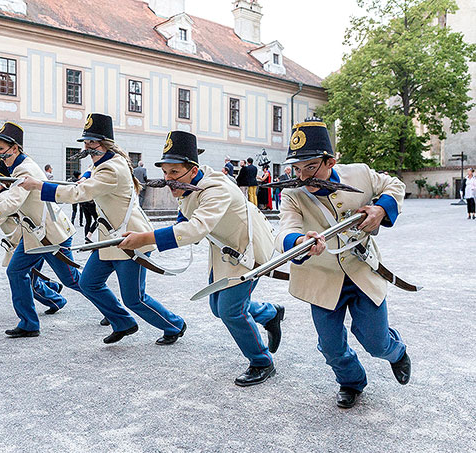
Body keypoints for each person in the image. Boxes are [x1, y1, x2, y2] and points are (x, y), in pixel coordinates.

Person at [119, 131, 284, 382]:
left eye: (174, 172)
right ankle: (269, 313)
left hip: (248, 249)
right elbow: (185, 226)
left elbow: (194, 230)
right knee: (218, 307)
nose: (168, 179)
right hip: (225, 251)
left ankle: (261, 362)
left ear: (192, 168)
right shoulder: (189, 188)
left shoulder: (215, 188)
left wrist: (144, 238)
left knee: (231, 311)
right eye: (165, 172)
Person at [276, 118, 411, 409]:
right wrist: (299, 242)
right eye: (295, 169)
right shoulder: (292, 194)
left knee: (377, 343)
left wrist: (380, 208)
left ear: (330, 161)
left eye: (309, 167)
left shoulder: (359, 174)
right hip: (320, 276)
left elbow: (394, 184)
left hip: (362, 270)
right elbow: (284, 230)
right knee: (331, 347)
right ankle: (351, 381)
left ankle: (396, 351)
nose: (301, 177)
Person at [21, 113, 186, 345]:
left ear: (105, 143)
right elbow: (92, 171)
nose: (88, 147)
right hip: (110, 239)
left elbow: (80, 193)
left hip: (131, 239)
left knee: (134, 298)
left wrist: (40, 186)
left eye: (92, 142)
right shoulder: (105, 162)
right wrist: (86, 175)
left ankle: (174, 324)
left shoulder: (112, 169)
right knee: (89, 283)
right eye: (86, 142)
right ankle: (123, 323)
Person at [0, 122, 82, 338]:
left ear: (15, 148)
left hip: (51, 234)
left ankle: (114, 309)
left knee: (72, 280)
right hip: (35, 236)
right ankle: (29, 323)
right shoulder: (16, 167)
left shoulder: (24, 169)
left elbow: (11, 205)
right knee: (16, 271)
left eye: (1, 150)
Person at [0, 178, 67, 314]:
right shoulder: (10, 195)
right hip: (32, 239)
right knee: (29, 277)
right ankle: (53, 287)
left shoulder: (1, 200)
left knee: (27, 280)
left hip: (25, 244)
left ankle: (56, 301)